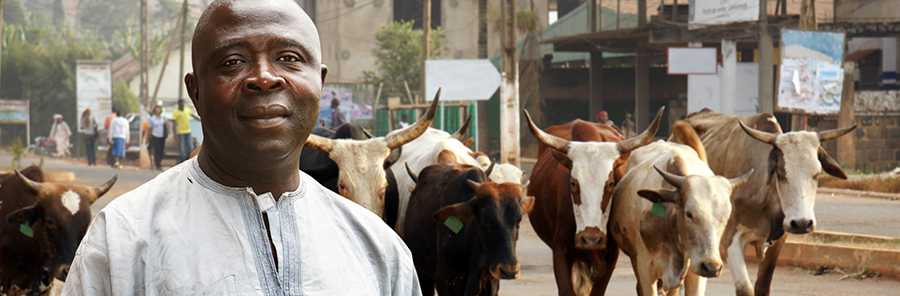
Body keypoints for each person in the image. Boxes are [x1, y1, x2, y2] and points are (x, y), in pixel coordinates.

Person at [63, 1, 421, 295]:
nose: (264, 77)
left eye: (289, 58)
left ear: (320, 82)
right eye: (232, 62)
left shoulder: (380, 251)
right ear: (195, 92)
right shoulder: (121, 241)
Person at [147, 105, 167, 170]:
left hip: (162, 136)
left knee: (161, 150)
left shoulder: (163, 118)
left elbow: (166, 126)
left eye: (159, 109)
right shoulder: (152, 118)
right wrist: (149, 136)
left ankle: (159, 162)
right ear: (155, 111)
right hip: (155, 136)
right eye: (156, 109)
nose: (158, 110)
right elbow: (150, 128)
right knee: (157, 150)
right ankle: (158, 164)